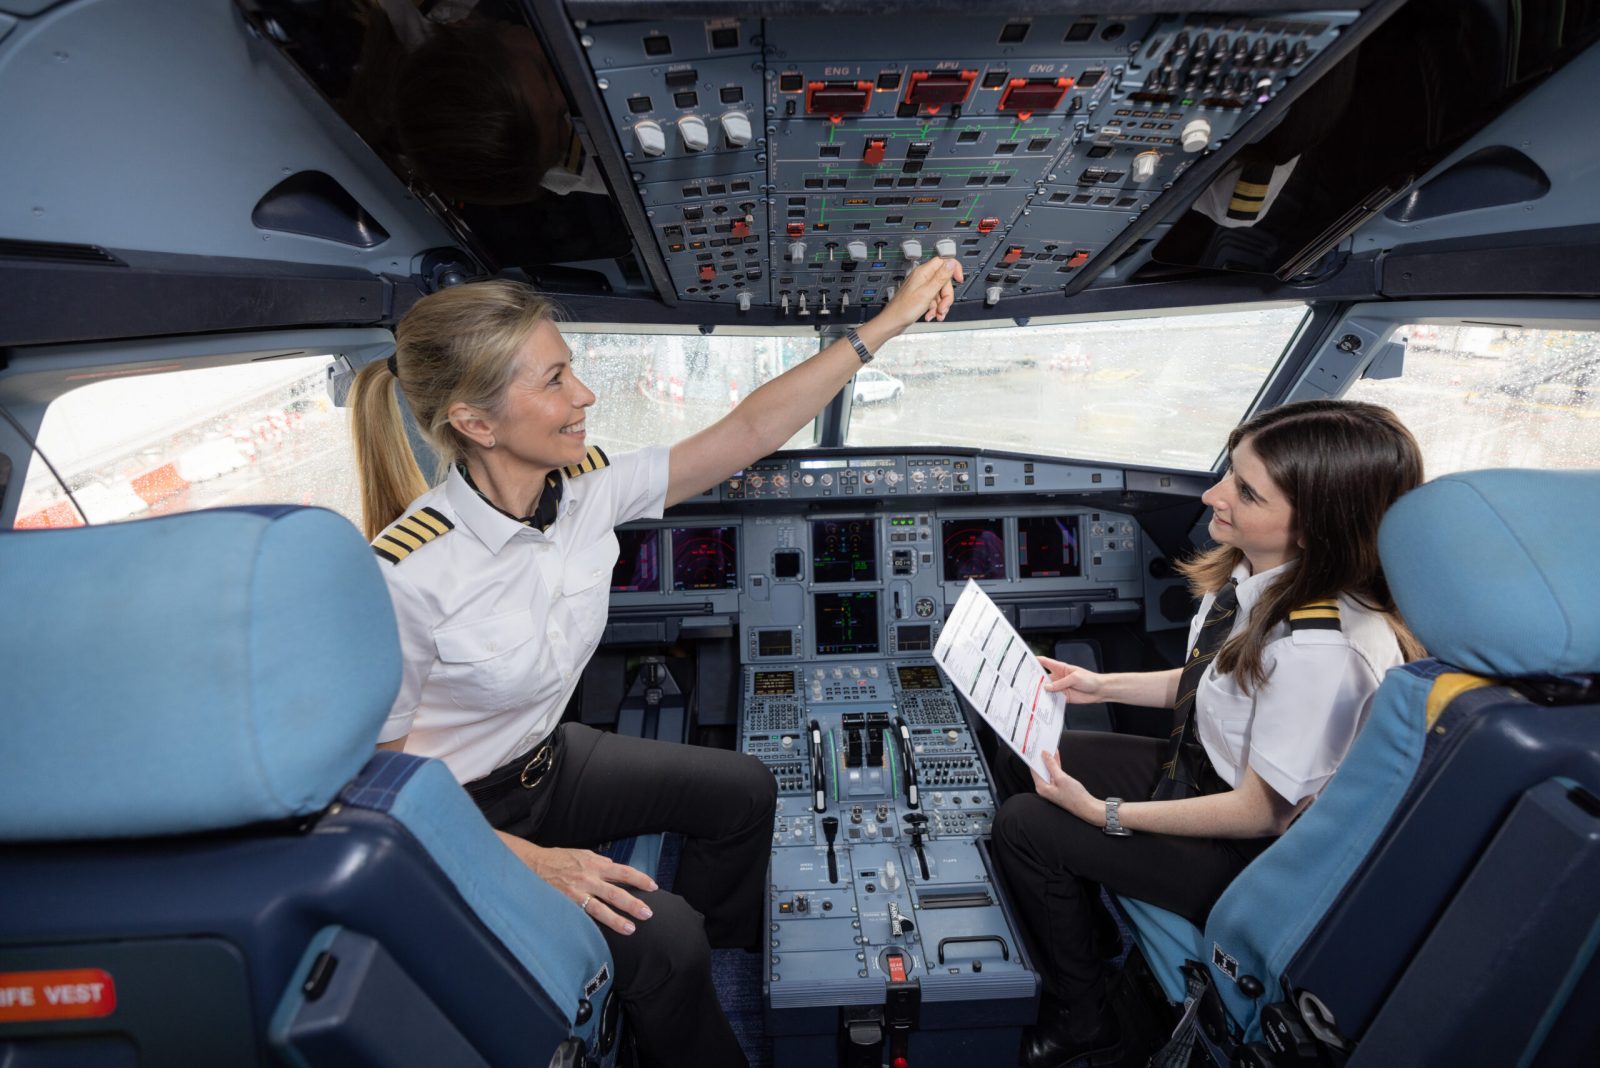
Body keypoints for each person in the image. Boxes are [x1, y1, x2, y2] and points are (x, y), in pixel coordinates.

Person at [348, 255, 962, 1068]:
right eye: (556, 380)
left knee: (742, 788)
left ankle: (726, 966)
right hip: (454, 821)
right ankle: (673, 997)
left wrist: (885, 324)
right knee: (663, 938)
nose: (586, 397)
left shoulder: (586, 488)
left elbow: (746, 433)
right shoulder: (404, 574)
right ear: (476, 421)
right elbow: (376, 789)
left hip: (543, 764)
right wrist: (532, 863)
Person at [989, 399, 1425, 1068]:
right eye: (1229, 470)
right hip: (1196, 772)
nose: (1213, 494)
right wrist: (1099, 686)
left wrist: (1104, 814)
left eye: (1245, 491)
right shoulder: (1261, 574)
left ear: (1316, 526)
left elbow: (1261, 812)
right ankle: (1088, 922)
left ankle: (1089, 1020)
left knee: (1027, 822)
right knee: (1036, 750)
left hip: (1248, 855)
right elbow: (1214, 683)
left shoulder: (1325, 650)